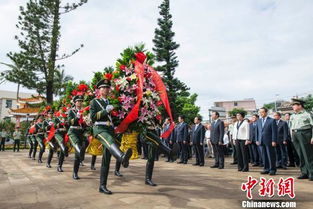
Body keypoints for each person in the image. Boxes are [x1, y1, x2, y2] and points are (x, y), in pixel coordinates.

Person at [90, 79, 132, 194]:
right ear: (99, 90)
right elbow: (93, 117)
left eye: (107, 87)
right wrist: (105, 111)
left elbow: (114, 119)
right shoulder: (94, 102)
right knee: (109, 141)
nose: (106, 89)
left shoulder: (110, 102)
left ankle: (102, 186)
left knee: (106, 159)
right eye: (103, 87)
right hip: (99, 129)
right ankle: (122, 157)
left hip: (109, 129)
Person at [290, 98, 313, 181]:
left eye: (294, 105)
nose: (292, 107)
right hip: (295, 134)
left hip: (305, 133)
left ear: (300, 105)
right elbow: (291, 126)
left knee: (308, 154)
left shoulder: (307, 114)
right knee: (300, 154)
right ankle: (304, 172)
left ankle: (311, 173)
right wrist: (292, 136)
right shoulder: (293, 115)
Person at [68, 95, 86, 180]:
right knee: (78, 148)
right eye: (78, 101)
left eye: (81, 101)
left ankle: (76, 172)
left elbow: (84, 124)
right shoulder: (71, 111)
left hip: (80, 132)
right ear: (75, 102)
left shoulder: (84, 111)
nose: (79, 102)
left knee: (78, 155)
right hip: (73, 132)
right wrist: (76, 117)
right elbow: (69, 122)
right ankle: (74, 173)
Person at [255, 107, 278, 175]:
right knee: (264, 156)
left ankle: (272, 169)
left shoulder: (272, 120)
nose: (261, 113)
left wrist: (274, 140)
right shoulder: (258, 121)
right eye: (260, 112)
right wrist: (257, 139)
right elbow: (257, 131)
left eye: (262, 112)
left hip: (269, 141)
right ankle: (266, 168)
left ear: (266, 112)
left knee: (271, 156)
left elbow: (274, 131)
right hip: (261, 141)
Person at [54, 108, 69, 172]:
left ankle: (59, 166)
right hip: (58, 134)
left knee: (62, 151)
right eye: (61, 110)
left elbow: (68, 126)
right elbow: (54, 126)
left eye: (63, 111)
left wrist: (65, 123)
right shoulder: (56, 118)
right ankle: (65, 151)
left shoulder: (66, 118)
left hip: (64, 134)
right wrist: (60, 123)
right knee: (62, 144)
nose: (62, 111)